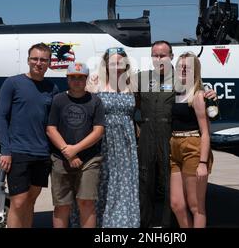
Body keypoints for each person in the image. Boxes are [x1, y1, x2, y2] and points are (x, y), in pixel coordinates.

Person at [136, 41, 216, 228]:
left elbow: (205, 120)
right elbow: (132, 99)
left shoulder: (188, 87)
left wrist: (210, 95)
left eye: (163, 55)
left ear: (171, 56)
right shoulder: (142, 79)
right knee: (153, 188)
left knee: (182, 197)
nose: (159, 58)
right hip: (159, 140)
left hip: (179, 141)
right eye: (155, 55)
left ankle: (168, 227)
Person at [0, 43, 59, 228]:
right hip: (18, 152)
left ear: (49, 63)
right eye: (35, 59)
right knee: (19, 201)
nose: (38, 63)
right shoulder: (12, 83)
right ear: (28, 60)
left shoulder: (51, 88)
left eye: (43, 60)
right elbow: (0, 117)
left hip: (42, 154)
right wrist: (5, 150)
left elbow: (53, 123)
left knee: (31, 201)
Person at [46, 62, 105, 228]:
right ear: (67, 79)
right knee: (62, 205)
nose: (77, 81)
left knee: (86, 203)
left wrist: (75, 150)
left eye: (80, 78)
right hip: (61, 159)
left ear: (86, 79)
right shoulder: (58, 100)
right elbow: (51, 129)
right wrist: (68, 152)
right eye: (73, 78)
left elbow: (98, 131)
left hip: (89, 160)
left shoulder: (95, 101)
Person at [89, 47, 140, 228]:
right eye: (112, 62)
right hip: (103, 141)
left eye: (120, 61)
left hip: (126, 144)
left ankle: (123, 224)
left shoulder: (132, 84)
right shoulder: (95, 83)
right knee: (103, 182)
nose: (117, 65)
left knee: (125, 182)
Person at [169, 52, 213, 228]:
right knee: (177, 205)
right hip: (174, 148)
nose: (183, 69)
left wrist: (203, 163)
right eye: (181, 66)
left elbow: (206, 133)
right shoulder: (173, 93)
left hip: (193, 147)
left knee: (196, 206)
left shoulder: (199, 96)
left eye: (188, 67)